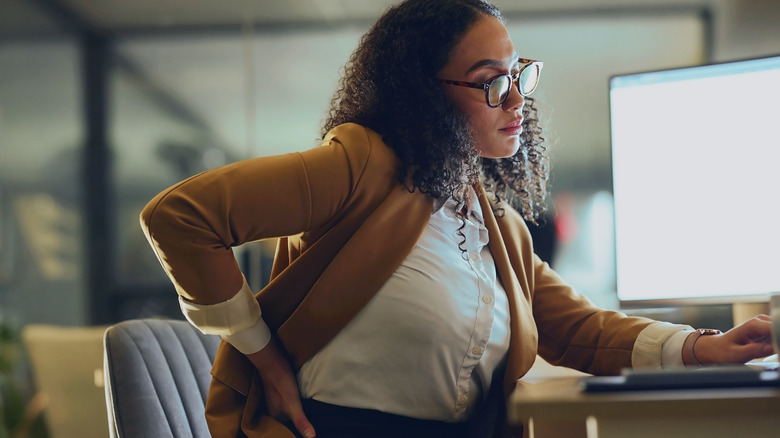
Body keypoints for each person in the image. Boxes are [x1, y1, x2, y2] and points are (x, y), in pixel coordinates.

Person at [139, 0, 775, 437]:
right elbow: (180, 217)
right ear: (423, 93)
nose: (517, 98)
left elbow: (576, 327)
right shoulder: (359, 164)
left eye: (519, 75)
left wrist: (705, 348)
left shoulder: (493, 223)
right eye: (491, 81)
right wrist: (262, 353)